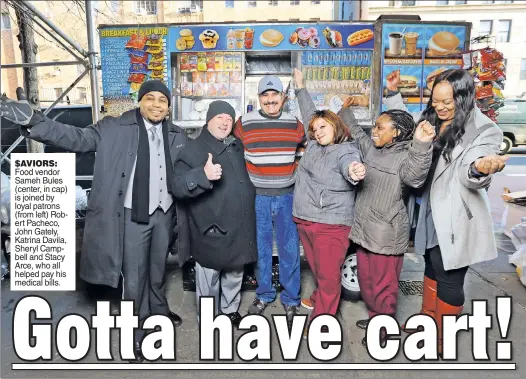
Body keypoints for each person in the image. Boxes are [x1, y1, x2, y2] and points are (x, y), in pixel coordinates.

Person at [0, 81, 186, 363]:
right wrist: (35, 120)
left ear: (169, 106)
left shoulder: (175, 134)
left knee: (157, 270)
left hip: (164, 214)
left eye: (163, 99)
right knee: (134, 280)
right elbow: (75, 138)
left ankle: (158, 312)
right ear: (140, 101)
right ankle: (133, 331)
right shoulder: (113, 127)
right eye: (150, 98)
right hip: (133, 216)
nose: (157, 104)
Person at [383, 68, 508, 354]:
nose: (439, 107)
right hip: (427, 208)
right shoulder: (433, 118)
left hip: (454, 215)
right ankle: (428, 320)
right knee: (430, 264)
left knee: (449, 275)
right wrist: (393, 94)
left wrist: (480, 168)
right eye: (435, 101)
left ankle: (444, 334)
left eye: (446, 102)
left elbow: (470, 169)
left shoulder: (485, 129)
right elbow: (411, 127)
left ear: (463, 99)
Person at [342, 98, 436, 348]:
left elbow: (416, 178)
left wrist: (422, 144)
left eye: (380, 127)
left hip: (386, 233)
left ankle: (384, 330)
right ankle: (376, 318)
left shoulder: (406, 157)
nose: (374, 131)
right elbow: (355, 132)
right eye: (375, 126)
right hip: (363, 230)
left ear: (396, 133)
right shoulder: (373, 149)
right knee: (366, 281)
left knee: (384, 288)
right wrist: (345, 109)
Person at [291, 70, 366, 336]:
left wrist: (355, 171)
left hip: (331, 224)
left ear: (336, 125)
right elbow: (309, 113)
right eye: (314, 129)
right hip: (306, 219)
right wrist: (300, 88)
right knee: (318, 269)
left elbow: (350, 166)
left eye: (323, 127)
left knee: (329, 275)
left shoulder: (347, 149)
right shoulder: (313, 145)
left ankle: (323, 321)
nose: (318, 131)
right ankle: (321, 296)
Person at [172, 101, 257, 327]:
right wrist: (202, 175)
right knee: (209, 277)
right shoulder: (192, 149)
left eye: (229, 119)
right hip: (211, 227)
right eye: (220, 117)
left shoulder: (235, 145)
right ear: (208, 119)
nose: (225, 122)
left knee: (235, 273)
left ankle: (229, 311)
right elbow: (177, 186)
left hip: (239, 224)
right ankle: (208, 318)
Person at [233, 75, 306, 323]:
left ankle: (291, 299)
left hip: (287, 196)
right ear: (259, 98)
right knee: (261, 249)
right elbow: (233, 149)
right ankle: (264, 294)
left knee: (288, 249)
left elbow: (308, 147)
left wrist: (296, 164)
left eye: (275, 95)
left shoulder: (295, 124)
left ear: (283, 98)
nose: (270, 100)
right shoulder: (244, 123)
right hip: (258, 198)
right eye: (265, 95)